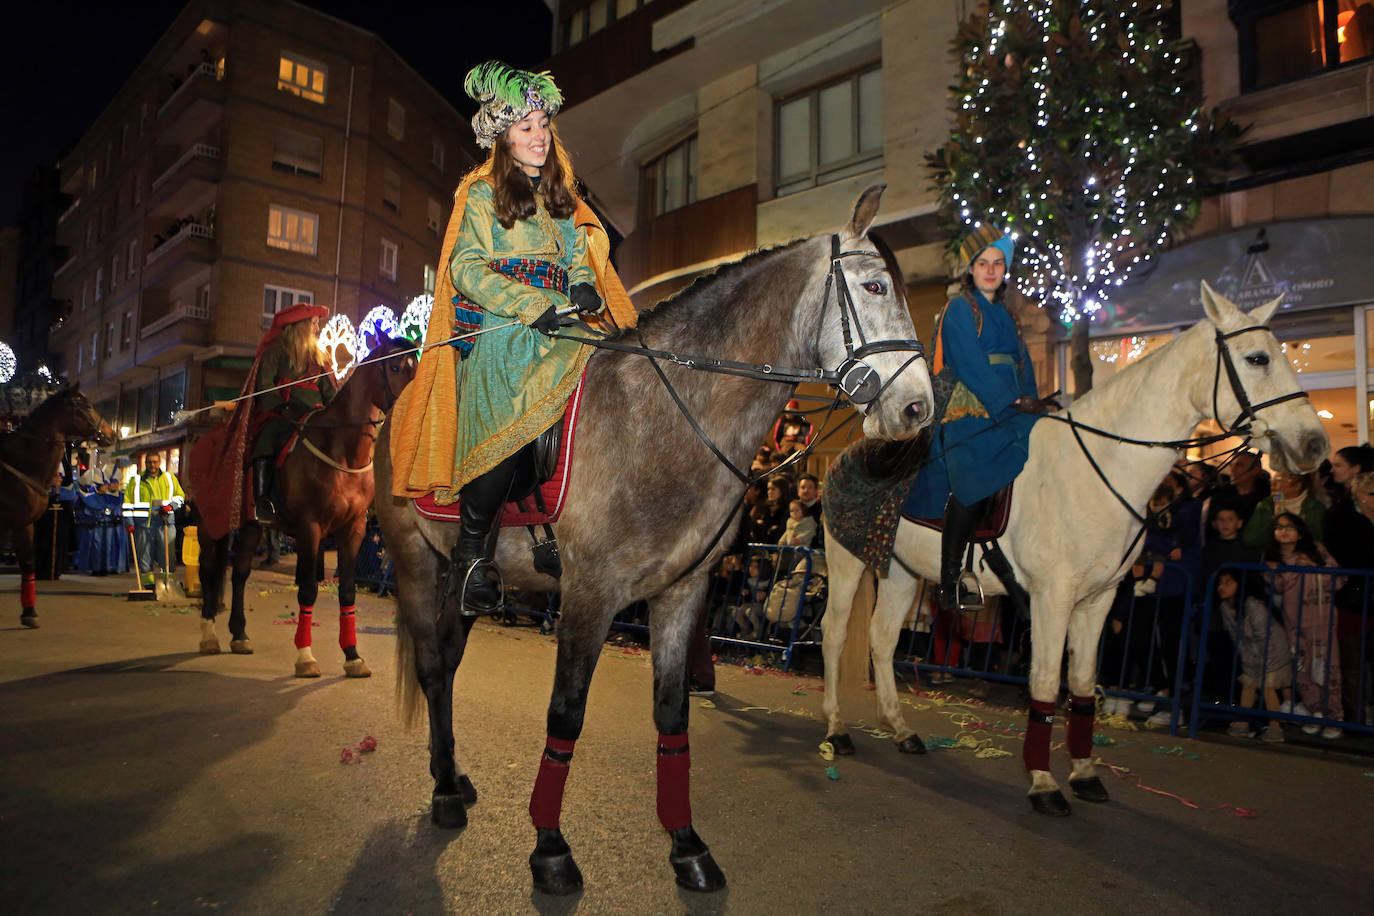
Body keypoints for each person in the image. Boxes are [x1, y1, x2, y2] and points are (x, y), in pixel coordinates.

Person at [434, 62, 615, 614]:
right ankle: (469, 562)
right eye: (525, 126)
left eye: (543, 124)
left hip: (562, 322)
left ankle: (561, 523)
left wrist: (583, 286)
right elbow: (465, 266)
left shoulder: (561, 198)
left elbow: (575, 256)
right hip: (505, 330)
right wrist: (527, 303)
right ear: (502, 137)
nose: (539, 136)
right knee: (507, 418)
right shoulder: (482, 194)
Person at [908, 226, 1053, 611]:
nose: (991, 270)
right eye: (983, 263)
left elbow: (1022, 364)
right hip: (971, 410)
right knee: (975, 477)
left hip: (1012, 407)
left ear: (1005, 270)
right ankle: (950, 579)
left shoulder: (1009, 316)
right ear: (970, 270)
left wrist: (1033, 402)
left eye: (998, 264)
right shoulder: (960, 308)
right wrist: (1011, 400)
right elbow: (970, 365)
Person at [251, 303, 334, 525]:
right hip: (284, 412)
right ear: (300, 326)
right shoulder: (275, 353)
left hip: (317, 412)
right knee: (268, 437)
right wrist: (281, 406)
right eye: (314, 323)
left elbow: (330, 392)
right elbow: (264, 384)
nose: (317, 329)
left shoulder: (320, 356)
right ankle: (262, 501)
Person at [1264, 511, 1344, 737]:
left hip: (1322, 619)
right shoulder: (1273, 558)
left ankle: (1334, 716)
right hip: (1294, 621)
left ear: (1300, 532)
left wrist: (1313, 566)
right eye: (1279, 527)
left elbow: (1338, 579)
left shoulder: (1316, 550)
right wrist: (1274, 571)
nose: (1284, 531)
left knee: (1327, 666)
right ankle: (1314, 710)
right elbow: (1277, 587)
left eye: (1290, 527)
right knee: (1302, 668)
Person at [1215, 570, 1290, 742]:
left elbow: (1265, 636)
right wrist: (1248, 659)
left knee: (1267, 685)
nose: (1221, 587)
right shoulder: (1226, 607)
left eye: (1228, 583)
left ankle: (1275, 727)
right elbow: (1236, 636)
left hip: (1272, 651)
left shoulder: (1253, 605)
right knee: (1248, 683)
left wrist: (1264, 663)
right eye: (1220, 583)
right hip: (1252, 651)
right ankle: (1242, 722)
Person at [124, 454, 185, 581]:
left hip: (165, 522)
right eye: (150, 462)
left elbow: (180, 496)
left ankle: (169, 583)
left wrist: (171, 506)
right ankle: (148, 586)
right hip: (143, 524)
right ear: (145, 463)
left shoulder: (169, 478)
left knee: (168, 555)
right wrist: (129, 522)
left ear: (159, 463)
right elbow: (127, 502)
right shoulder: (136, 480)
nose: (152, 465)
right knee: (144, 555)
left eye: (155, 462)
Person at [1243, 470, 1325, 549]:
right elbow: (1250, 540)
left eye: (1279, 480)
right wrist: (1274, 520)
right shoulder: (1266, 505)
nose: (1272, 483)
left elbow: (1318, 540)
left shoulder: (1314, 508)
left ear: (1297, 486)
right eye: (1272, 479)